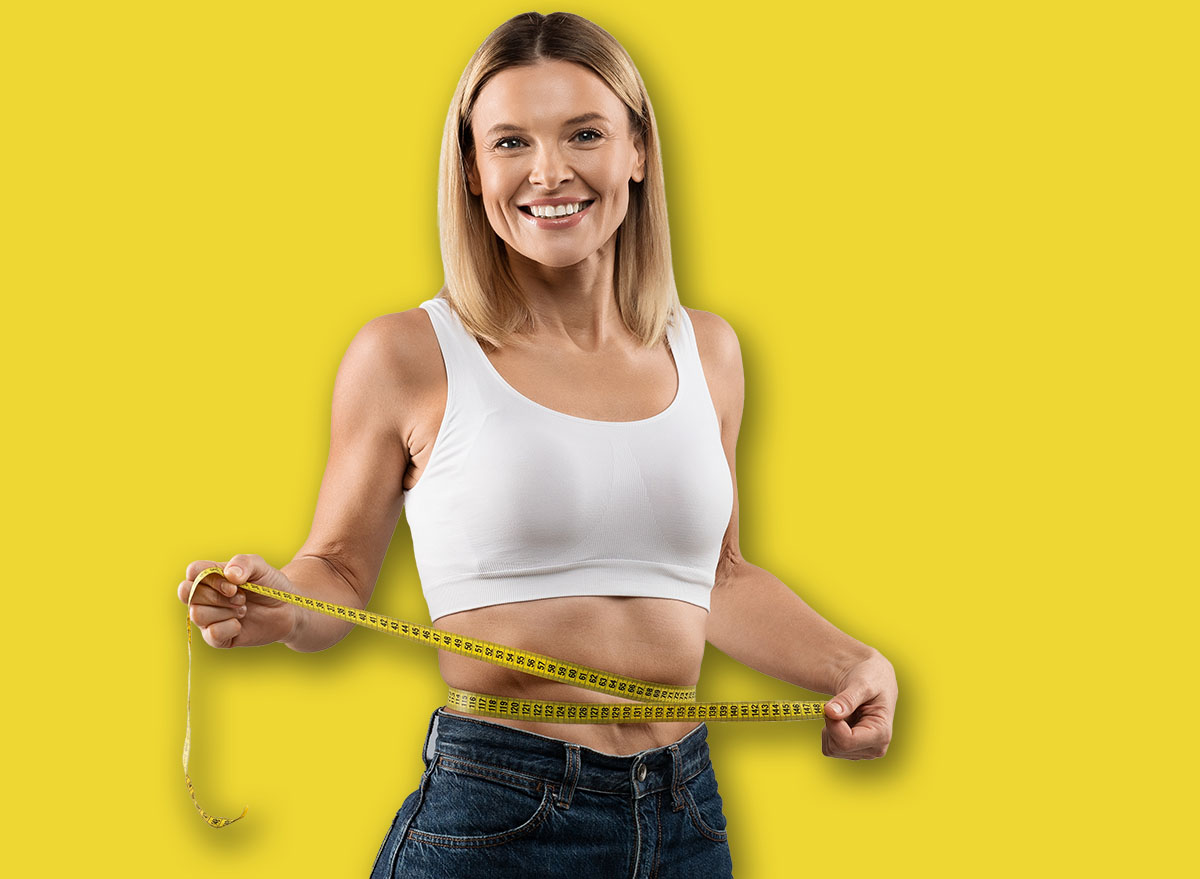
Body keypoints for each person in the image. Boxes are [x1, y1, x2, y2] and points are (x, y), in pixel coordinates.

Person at [178, 11, 898, 877]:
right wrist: (285, 605)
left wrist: (851, 662)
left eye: (584, 133)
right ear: (473, 172)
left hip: (687, 816)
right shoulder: (407, 354)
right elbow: (335, 567)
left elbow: (717, 573)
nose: (549, 172)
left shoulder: (707, 351)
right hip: (499, 814)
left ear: (637, 150)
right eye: (511, 141)